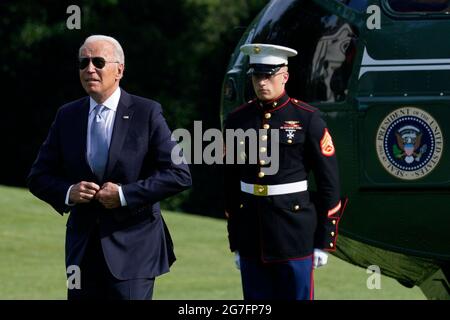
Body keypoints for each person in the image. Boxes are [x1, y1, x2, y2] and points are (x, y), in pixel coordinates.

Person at [27, 35, 192, 300]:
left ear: (119, 70)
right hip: (82, 252)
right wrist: (69, 191)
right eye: (83, 62)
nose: (89, 68)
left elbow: (178, 174)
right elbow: (38, 177)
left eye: (98, 62)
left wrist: (124, 195)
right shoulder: (67, 115)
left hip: (134, 250)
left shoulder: (146, 112)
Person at [224, 43, 346, 300]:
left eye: (268, 75)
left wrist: (324, 239)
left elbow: (329, 184)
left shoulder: (307, 118)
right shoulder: (238, 120)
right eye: (257, 76)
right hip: (252, 235)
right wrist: (236, 239)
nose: (262, 82)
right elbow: (229, 183)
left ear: (285, 77)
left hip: (294, 234)